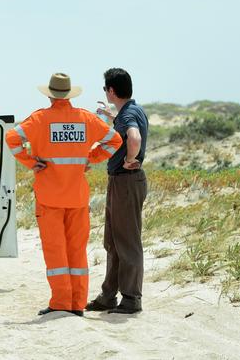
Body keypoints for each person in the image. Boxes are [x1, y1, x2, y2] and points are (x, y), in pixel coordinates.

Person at [5, 73, 122, 316]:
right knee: (76, 251)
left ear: (49, 95)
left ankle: (61, 302)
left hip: (49, 198)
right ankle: (77, 303)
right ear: (69, 94)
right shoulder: (86, 119)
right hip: (77, 197)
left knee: (55, 250)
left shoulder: (40, 119)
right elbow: (115, 140)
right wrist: (91, 158)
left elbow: (12, 138)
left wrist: (30, 161)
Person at [86, 68, 149, 314]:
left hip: (126, 180)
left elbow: (133, 137)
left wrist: (130, 158)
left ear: (111, 91)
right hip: (122, 181)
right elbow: (126, 129)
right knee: (113, 240)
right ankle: (109, 295)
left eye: (105, 89)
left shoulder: (128, 114)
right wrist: (110, 116)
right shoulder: (131, 111)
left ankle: (131, 299)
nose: (105, 92)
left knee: (126, 241)